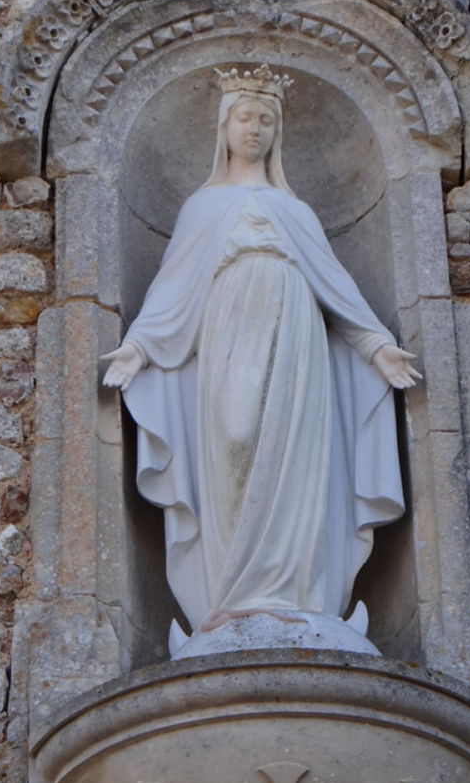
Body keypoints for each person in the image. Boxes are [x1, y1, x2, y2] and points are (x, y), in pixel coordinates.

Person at [103, 65, 421, 643]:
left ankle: (300, 597)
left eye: (266, 120)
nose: (255, 129)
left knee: (298, 453)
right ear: (224, 127)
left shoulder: (296, 211)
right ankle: (233, 596)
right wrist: (140, 347)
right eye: (245, 117)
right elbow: (175, 289)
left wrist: (375, 345)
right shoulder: (202, 208)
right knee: (235, 437)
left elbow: (336, 285)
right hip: (228, 328)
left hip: (297, 331)